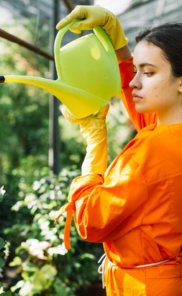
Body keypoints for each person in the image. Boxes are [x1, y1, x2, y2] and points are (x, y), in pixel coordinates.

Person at [55, 5, 182, 296]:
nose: (134, 82)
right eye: (135, 70)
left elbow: (90, 221)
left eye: (148, 73)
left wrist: (94, 142)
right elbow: (137, 96)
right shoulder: (170, 130)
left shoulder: (153, 148)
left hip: (143, 287)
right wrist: (117, 40)